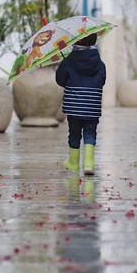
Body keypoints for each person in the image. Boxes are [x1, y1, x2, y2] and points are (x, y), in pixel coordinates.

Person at [56, 32, 106, 175]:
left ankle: (73, 163)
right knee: (90, 133)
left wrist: (64, 66)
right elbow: (103, 80)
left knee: (74, 133)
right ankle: (89, 164)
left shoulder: (69, 61)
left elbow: (60, 80)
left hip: (74, 107)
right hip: (92, 106)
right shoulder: (100, 63)